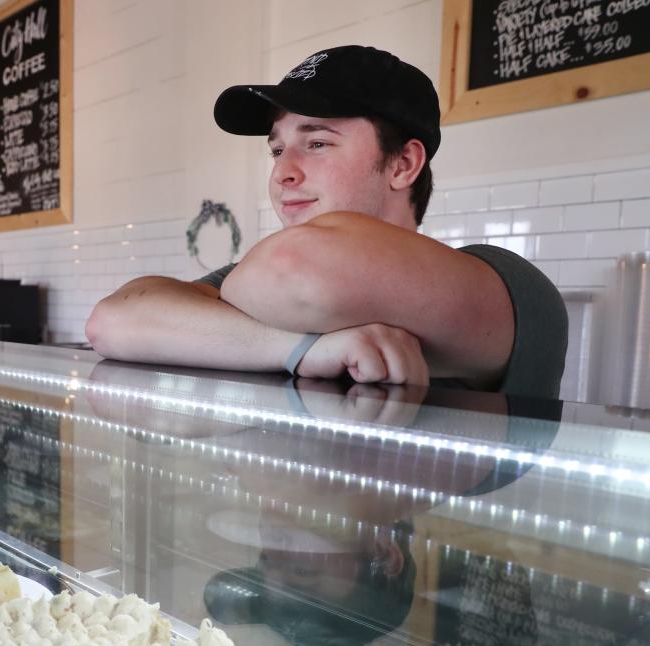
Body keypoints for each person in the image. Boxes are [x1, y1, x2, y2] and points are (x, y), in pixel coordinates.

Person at [85, 46, 568, 398]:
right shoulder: (255, 280)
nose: (282, 171)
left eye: (316, 143)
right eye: (277, 149)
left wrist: (220, 332)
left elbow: (293, 267)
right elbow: (113, 319)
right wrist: (299, 350)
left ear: (402, 165)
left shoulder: (509, 286)